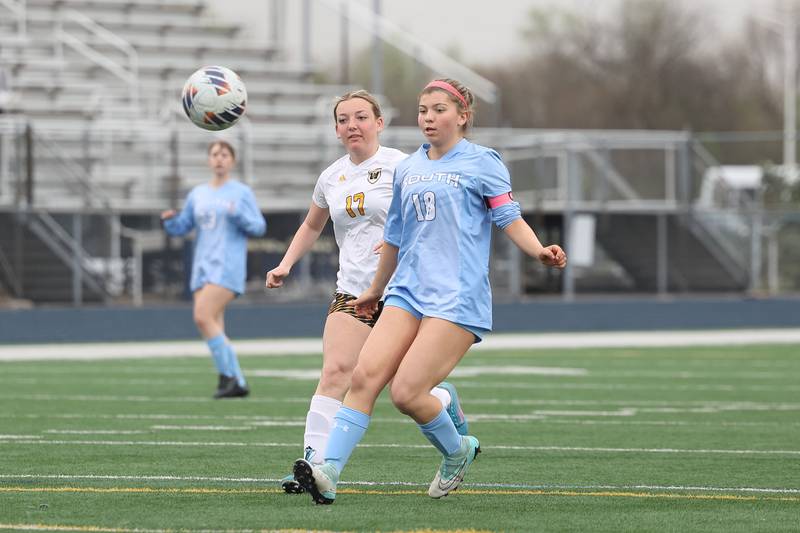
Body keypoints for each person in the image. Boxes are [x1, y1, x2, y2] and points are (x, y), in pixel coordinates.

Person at [292, 78, 567, 504]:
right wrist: (375, 289)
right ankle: (328, 472)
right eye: (423, 110)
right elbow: (396, 238)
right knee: (363, 378)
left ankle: (457, 452)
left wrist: (538, 250)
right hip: (406, 292)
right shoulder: (409, 168)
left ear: (462, 116)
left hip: (456, 298)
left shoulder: (483, 162)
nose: (429, 118)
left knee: (406, 394)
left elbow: (508, 216)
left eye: (438, 109)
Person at [265, 90, 469, 494]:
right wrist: (285, 263)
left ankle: (443, 401)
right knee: (337, 372)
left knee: (402, 389)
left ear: (379, 122)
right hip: (354, 292)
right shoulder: (331, 176)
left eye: (360, 117)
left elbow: (429, 214)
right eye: (343, 119)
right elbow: (311, 225)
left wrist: (399, 240)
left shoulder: (404, 166)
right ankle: (313, 463)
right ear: (336, 129)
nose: (352, 125)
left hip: (404, 293)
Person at [162, 140, 266, 399]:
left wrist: (238, 215)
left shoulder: (241, 193)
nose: (219, 159)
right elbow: (184, 226)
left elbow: (258, 227)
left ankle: (229, 377)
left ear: (232, 160)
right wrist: (169, 222)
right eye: (215, 154)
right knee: (214, 324)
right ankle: (236, 381)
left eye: (224, 154)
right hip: (202, 266)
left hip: (227, 265)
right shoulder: (198, 193)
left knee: (202, 316)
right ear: (209, 160)